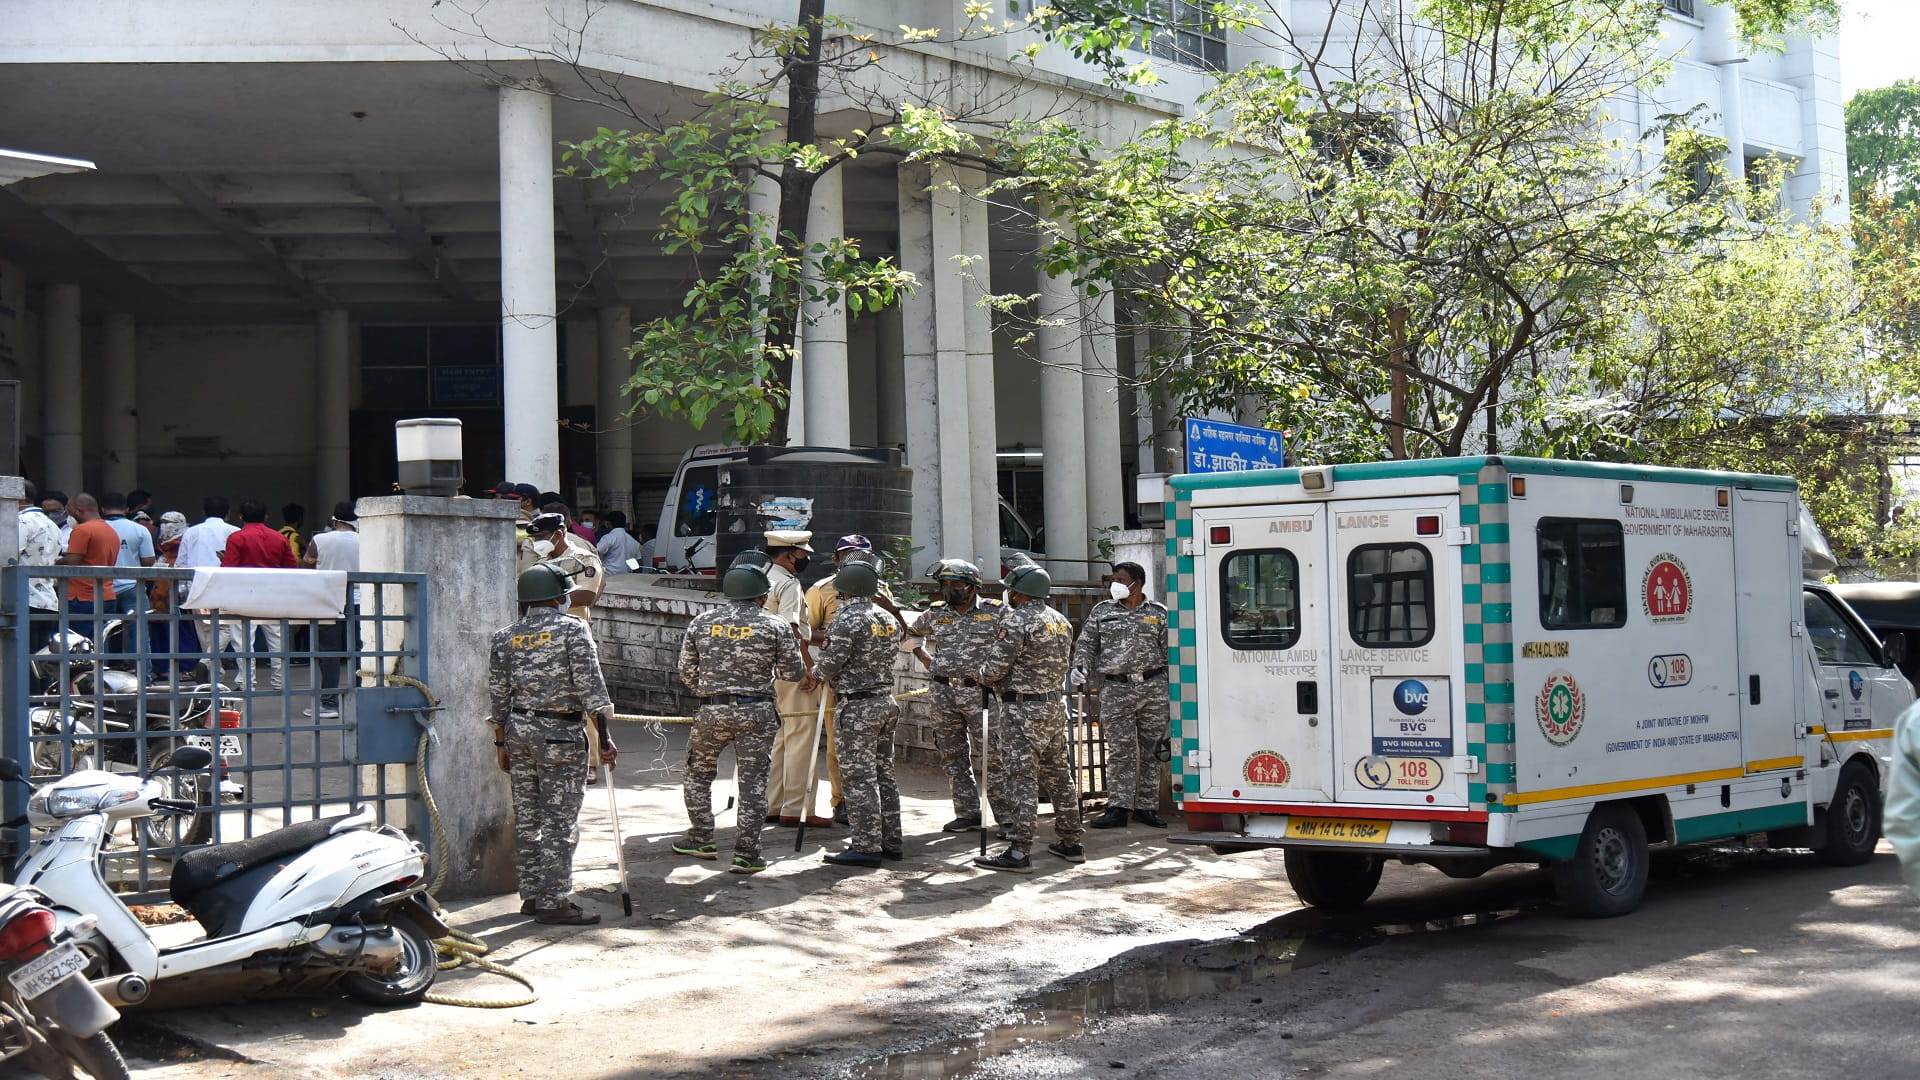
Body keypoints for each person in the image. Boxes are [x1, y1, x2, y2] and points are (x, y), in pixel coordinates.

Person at [489, 561, 618, 925]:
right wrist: (605, 740)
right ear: (558, 597)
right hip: (560, 735)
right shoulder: (573, 629)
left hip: (518, 732)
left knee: (528, 819)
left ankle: (532, 895)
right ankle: (554, 901)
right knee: (560, 822)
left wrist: (500, 743)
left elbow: (498, 696)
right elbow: (592, 688)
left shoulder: (505, 636)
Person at [673, 561, 807, 874]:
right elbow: (793, 672)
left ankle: (701, 838)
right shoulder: (775, 625)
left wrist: (712, 693)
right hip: (757, 712)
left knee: (698, 773)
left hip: (711, 710)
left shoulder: (702, 622)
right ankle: (747, 854)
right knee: (753, 783)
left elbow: (686, 672)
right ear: (762, 595)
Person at [974, 563, 1085, 872]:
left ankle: (1019, 851)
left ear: (1018, 592)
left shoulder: (1016, 621)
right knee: (1059, 776)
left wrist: (980, 674)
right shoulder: (1060, 620)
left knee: (1021, 778)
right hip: (1053, 707)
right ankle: (1072, 841)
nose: (1008, 594)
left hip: (1021, 711)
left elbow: (994, 669)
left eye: (1010, 589)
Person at [803, 535, 905, 825]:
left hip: (867, 688)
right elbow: (806, 633)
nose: (855, 560)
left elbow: (900, 633)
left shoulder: (880, 592)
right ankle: (842, 801)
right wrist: (839, 639)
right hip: (842, 686)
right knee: (840, 749)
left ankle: (871, 828)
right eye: (848, 555)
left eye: (862, 555)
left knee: (874, 764)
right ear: (836, 559)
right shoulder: (821, 589)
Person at [904, 559, 1006, 833]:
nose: (949, 588)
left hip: (981, 693)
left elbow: (1014, 641)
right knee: (952, 754)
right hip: (943, 693)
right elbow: (911, 633)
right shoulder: (936, 613)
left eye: (956, 584)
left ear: (973, 587)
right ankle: (967, 812)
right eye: (945, 584)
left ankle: (1007, 817)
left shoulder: (996, 612)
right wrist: (925, 658)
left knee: (993, 755)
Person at [1074, 561, 1172, 830]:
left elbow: (1170, 653)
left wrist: (1170, 686)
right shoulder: (1102, 611)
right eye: (1113, 580)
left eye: (1120, 579)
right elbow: (1086, 644)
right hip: (1116, 689)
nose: (1114, 584)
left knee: (1152, 750)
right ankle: (1118, 807)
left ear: (1137, 583)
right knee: (1120, 750)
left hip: (1153, 688)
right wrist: (1080, 666)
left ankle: (1146, 807)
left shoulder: (1158, 613)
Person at [762, 530, 830, 827]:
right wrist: (808, 667)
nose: (805, 559)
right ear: (790, 554)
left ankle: (773, 803)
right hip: (790, 669)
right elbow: (792, 630)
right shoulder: (788, 584)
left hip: (766, 669)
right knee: (801, 737)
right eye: (803, 554)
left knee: (780, 738)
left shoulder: (762, 577)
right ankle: (797, 807)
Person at [222, 499, 297, 689]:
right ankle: (280, 682)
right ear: (266, 516)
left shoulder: (236, 538)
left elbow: (228, 568)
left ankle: (247, 682)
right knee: (277, 638)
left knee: (243, 640)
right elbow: (291, 567)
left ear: (241, 517)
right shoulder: (279, 538)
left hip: (243, 593)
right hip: (273, 593)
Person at [302, 501, 361, 718]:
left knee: (329, 653)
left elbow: (308, 561)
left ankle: (329, 703)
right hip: (360, 600)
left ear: (334, 520)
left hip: (329, 600)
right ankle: (361, 698)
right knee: (361, 651)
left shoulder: (320, 539)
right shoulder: (367, 539)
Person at [176, 495, 240, 667]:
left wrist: (182, 590)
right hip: (226, 588)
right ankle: (211, 666)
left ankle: (210, 667)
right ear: (227, 513)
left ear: (204, 512)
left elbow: (181, 563)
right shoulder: (234, 531)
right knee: (226, 627)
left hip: (197, 587)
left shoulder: (192, 532)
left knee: (204, 630)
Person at [57, 493, 120, 643]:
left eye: (69, 511)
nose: (68, 516)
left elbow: (72, 561)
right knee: (99, 643)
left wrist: (53, 562)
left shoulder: (82, 530)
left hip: (81, 597)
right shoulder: (110, 530)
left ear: (78, 510)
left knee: (77, 644)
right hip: (107, 595)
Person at [18, 481, 64, 653]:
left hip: (23, 599)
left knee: (21, 657)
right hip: (48, 600)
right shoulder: (52, 525)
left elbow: (7, 556)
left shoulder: (21, 521)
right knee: (40, 658)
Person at [101, 492, 157, 617]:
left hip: (102, 587)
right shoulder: (140, 529)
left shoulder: (91, 529)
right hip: (132, 586)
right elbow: (148, 561)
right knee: (138, 627)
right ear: (126, 509)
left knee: (102, 626)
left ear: (103, 509)